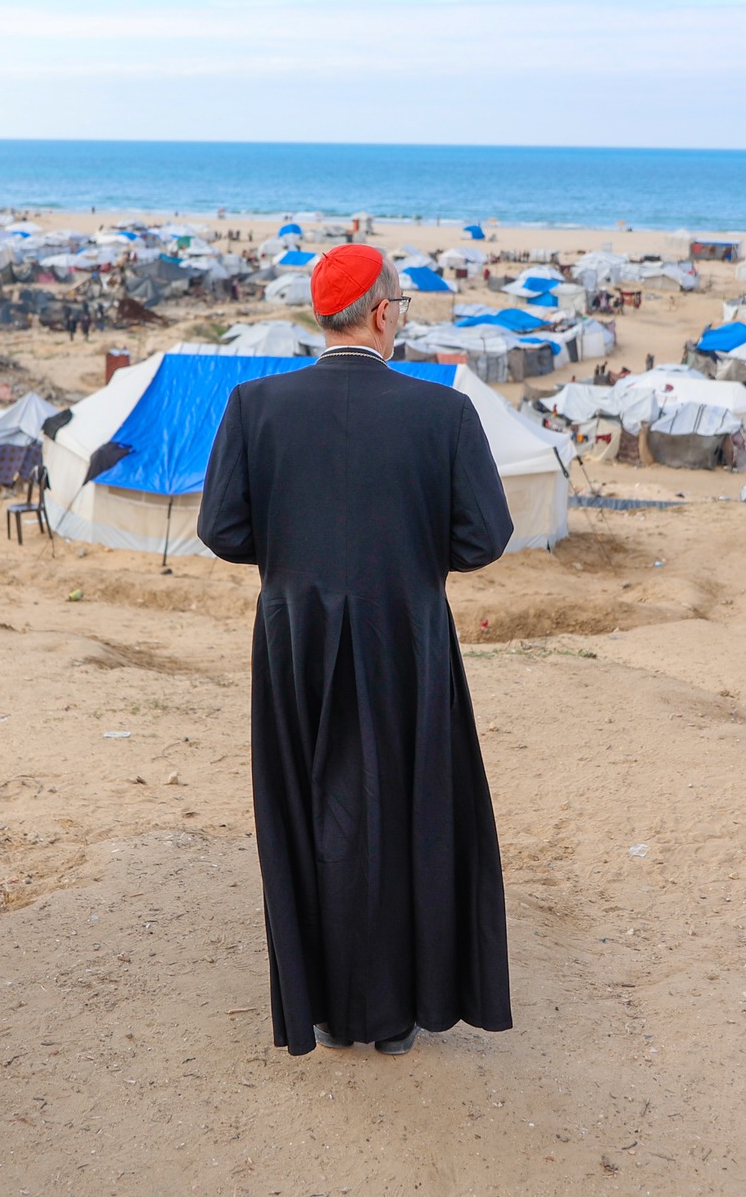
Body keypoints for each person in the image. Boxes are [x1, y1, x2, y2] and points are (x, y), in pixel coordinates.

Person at [199, 243, 514, 1059]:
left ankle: (325, 1007)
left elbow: (222, 529)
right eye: (400, 307)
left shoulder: (254, 405)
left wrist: (297, 560)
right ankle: (399, 1013)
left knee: (309, 813)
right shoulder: (442, 412)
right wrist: (409, 554)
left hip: (295, 640)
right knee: (408, 813)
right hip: (404, 638)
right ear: (381, 313)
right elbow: (484, 538)